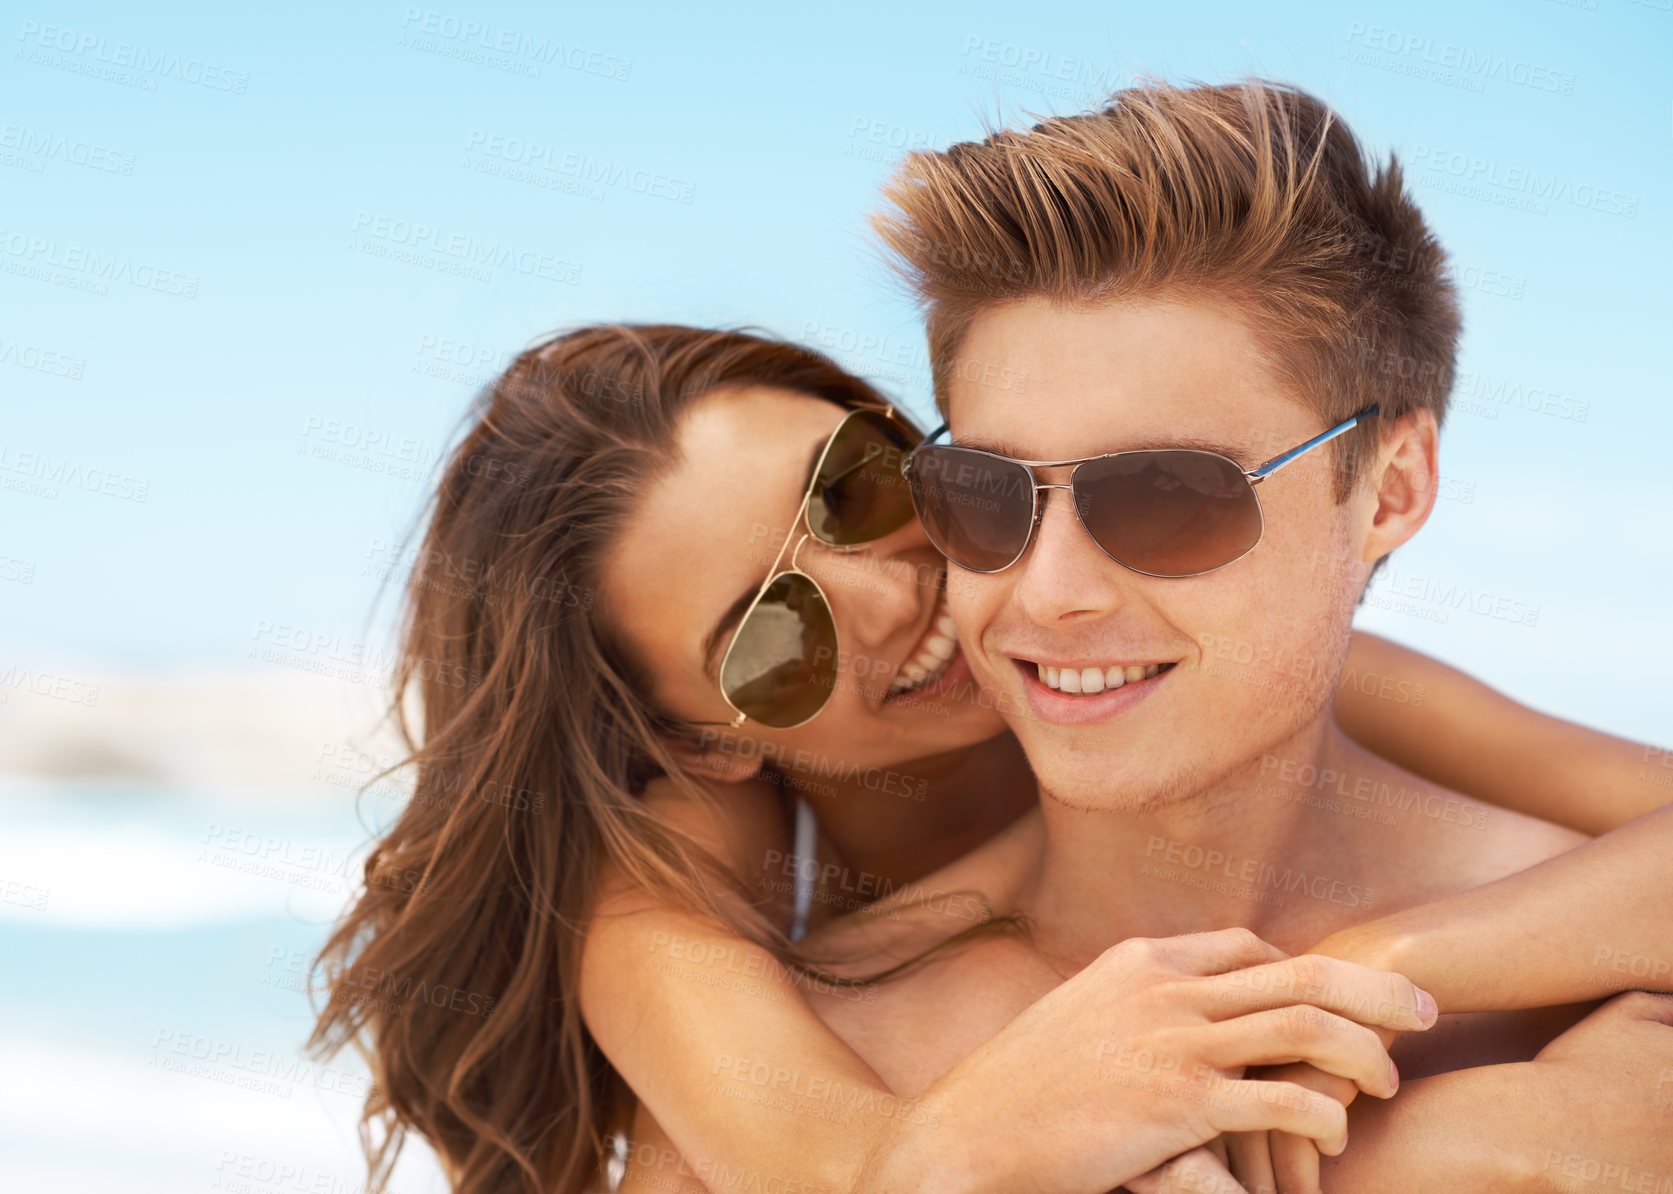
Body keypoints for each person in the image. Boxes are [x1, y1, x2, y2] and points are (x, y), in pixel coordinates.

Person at [307, 321, 1668, 1194]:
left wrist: (1381, 971)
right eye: (769, 632)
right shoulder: (665, 884)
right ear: (693, 740)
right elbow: (853, 1167)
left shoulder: (1229, 682)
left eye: (859, 485)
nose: (888, 592)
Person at [613, 78, 1673, 1194]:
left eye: (1169, 494)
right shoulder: (807, 1084)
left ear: (1391, 490)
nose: (1049, 592)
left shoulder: (1614, 1007)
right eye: (988, 492)